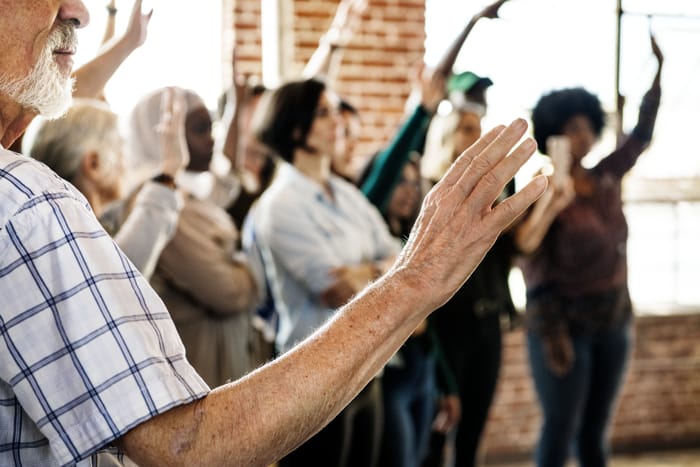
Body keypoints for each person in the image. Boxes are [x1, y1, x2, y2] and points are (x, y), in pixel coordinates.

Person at [0, 1, 545, 465]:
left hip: (361, 372)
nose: (80, 11)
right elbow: (187, 440)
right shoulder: (26, 204)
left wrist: (386, 272)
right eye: (326, 112)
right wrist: (416, 275)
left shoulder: (339, 195)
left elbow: (365, 255)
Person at [514, 32, 663, 467]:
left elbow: (640, 136)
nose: (580, 136)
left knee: (595, 436)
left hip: (615, 321)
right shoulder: (543, 190)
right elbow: (527, 259)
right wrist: (552, 333)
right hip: (564, 330)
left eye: (585, 126)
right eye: (569, 128)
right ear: (553, 135)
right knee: (559, 431)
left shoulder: (605, 178)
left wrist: (657, 71)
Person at [247, 77, 402, 467]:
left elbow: (400, 255)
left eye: (336, 111)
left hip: (367, 367)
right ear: (297, 129)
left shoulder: (347, 194)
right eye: (324, 113)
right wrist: (383, 272)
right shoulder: (280, 205)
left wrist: (367, 271)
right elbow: (337, 290)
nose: (339, 122)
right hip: (312, 381)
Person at [127, 86, 260, 386]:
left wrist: (236, 108)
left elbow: (228, 183)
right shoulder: (165, 204)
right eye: (200, 128)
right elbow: (228, 293)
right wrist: (256, 267)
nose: (212, 137)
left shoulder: (191, 193)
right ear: (161, 137)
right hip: (201, 372)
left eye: (212, 126)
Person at [27, 93, 186, 280]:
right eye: (119, 146)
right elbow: (119, 275)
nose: (127, 160)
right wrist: (170, 169)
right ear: (94, 164)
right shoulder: (77, 248)